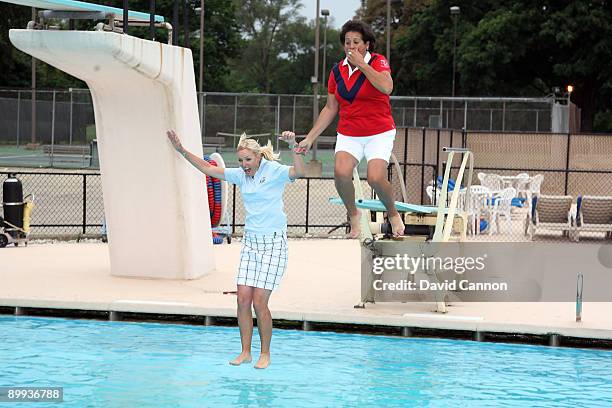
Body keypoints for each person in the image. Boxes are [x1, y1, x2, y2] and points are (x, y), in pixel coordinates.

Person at [166, 129, 305, 369]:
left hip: (274, 244)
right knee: (242, 299)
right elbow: (209, 169)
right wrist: (181, 150)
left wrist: (294, 145)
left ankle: (265, 353)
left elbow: (300, 172)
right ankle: (245, 352)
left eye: (248, 160)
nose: (244, 164)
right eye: (240, 160)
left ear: (259, 157)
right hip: (251, 243)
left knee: (260, 302)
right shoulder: (241, 176)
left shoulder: (274, 171)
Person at [298, 20, 405, 239]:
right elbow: (330, 108)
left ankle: (392, 213)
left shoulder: (378, 62)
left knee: (375, 177)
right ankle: (354, 216)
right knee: (341, 173)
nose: (351, 47)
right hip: (349, 133)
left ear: (367, 45)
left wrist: (363, 66)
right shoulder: (337, 71)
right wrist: (310, 138)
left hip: (379, 131)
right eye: (347, 43)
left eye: (357, 42)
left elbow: (387, 87)